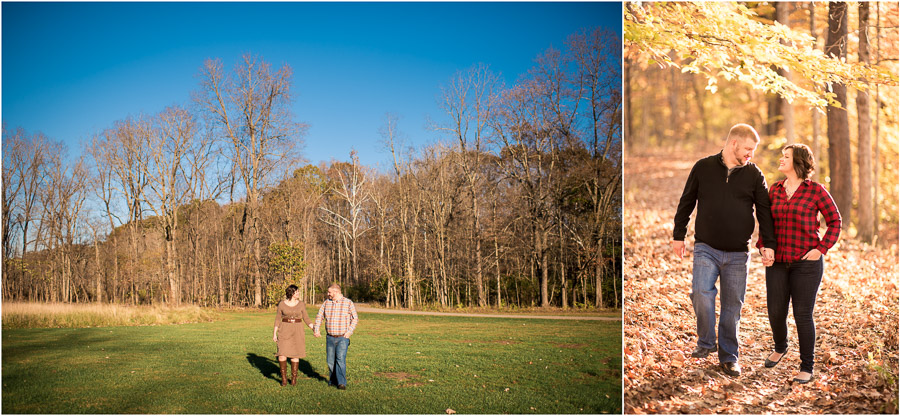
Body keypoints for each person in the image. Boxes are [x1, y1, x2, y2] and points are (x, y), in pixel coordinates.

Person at [672, 123, 776, 377]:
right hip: (706, 246)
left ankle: (729, 357)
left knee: (732, 307)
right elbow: (687, 201)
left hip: (738, 253)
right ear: (733, 144)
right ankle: (706, 342)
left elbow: (764, 211)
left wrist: (768, 244)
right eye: (748, 149)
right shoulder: (703, 167)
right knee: (700, 292)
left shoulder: (754, 174)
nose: (751, 154)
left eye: (753, 150)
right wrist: (678, 235)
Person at [757, 143, 840, 384]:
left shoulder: (816, 190)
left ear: (799, 162)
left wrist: (821, 249)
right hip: (778, 263)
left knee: (802, 314)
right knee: (775, 312)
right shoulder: (774, 190)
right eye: (781, 155)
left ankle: (807, 365)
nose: (781, 159)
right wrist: (764, 246)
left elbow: (835, 220)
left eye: (786, 157)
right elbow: (766, 225)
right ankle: (781, 346)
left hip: (807, 263)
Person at [313, 283, 359, 390]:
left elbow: (355, 318)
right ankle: (333, 380)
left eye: (329, 292)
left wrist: (349, 332)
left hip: (342, 337)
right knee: (330, 361)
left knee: (340, 359)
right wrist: (316, 329)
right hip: (330, 337)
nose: (327, 294)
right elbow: (320, 316)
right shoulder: (326, 303)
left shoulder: (348, 303)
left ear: (336, 292)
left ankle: (341, 383)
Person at [273, 284, 314, 386]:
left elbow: (306, 318)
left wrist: (314, 328)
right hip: (284, 329)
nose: (298, 293)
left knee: (295, 354)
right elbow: (278, 319)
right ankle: (284, 379)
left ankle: (294, 378)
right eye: (297, 292)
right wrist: (274, 333)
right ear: (291, 293)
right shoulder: (282, 304)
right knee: (282, 353)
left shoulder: (301, 304)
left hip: (297, 330)